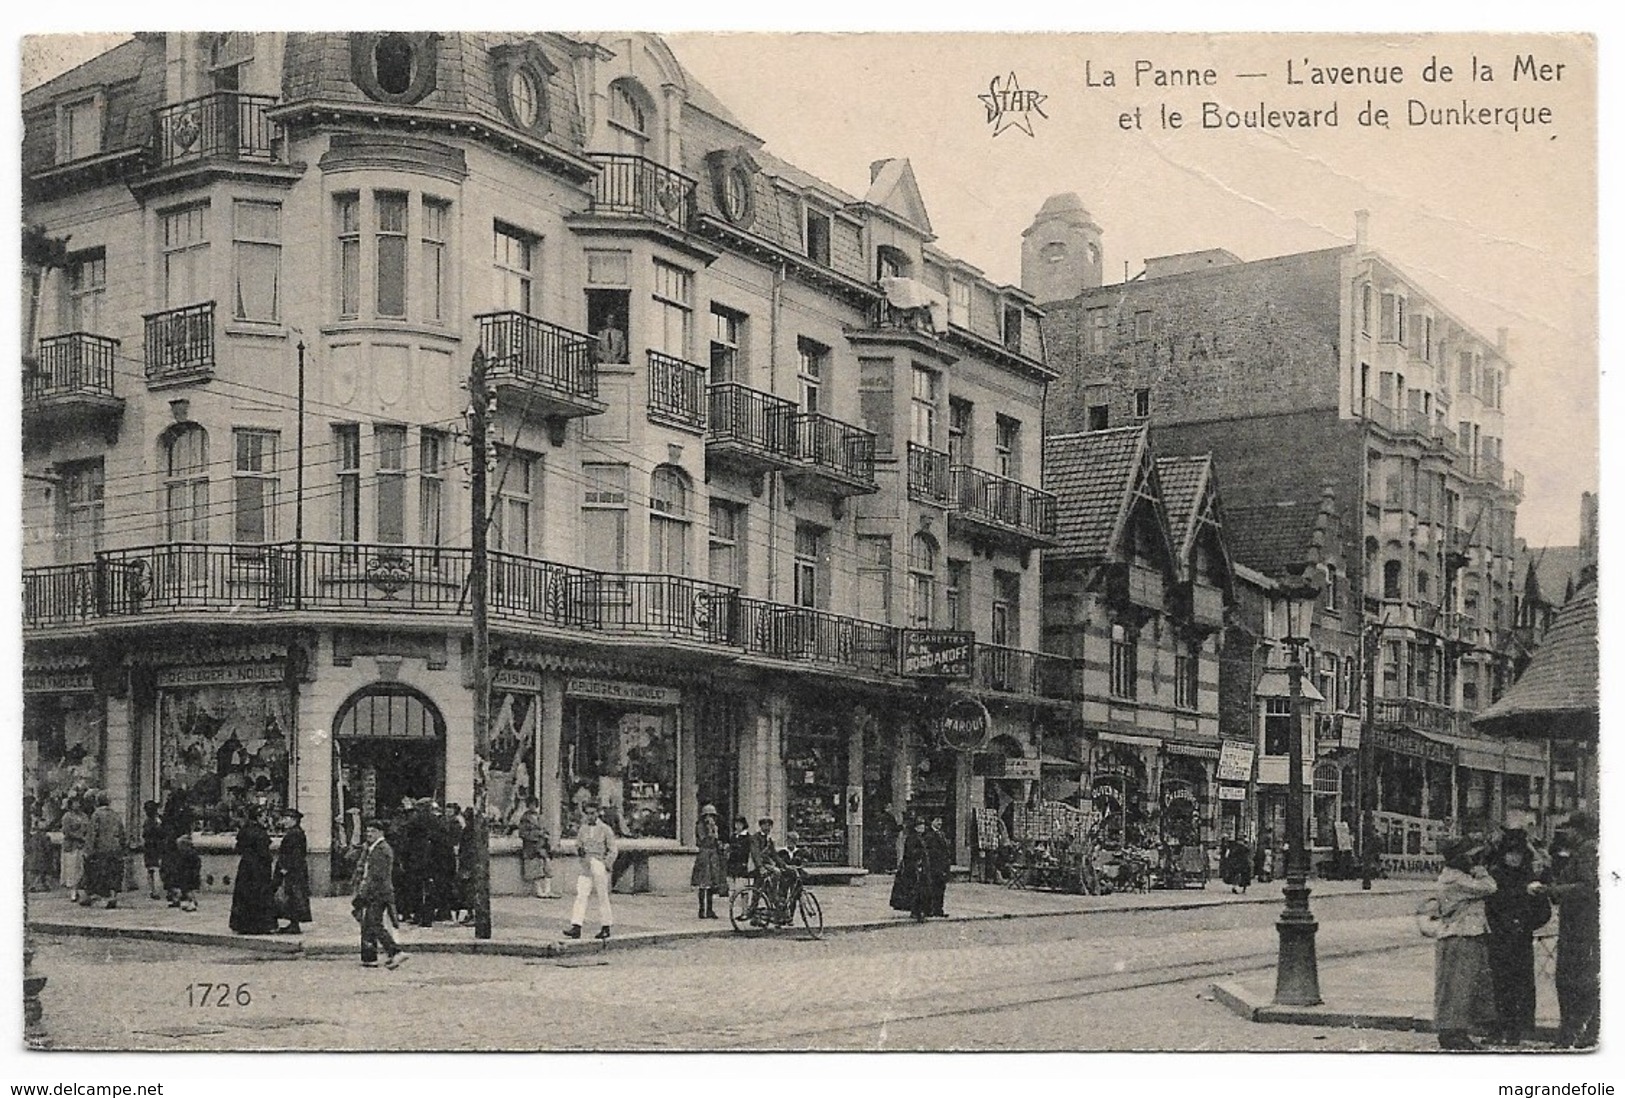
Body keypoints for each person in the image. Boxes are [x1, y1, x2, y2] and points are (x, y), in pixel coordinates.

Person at [1483, 827, 1550, 1045]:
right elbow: (1489, 905)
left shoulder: (1530, 877)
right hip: (1499, 939)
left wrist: (1525, 924)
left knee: (1519, 986)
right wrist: (1501, 925)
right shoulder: (1495, 875)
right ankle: (1497, 1028)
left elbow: (1544, 911)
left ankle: (1515, 1031)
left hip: (1521, 940)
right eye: (1510, 853)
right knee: (1498, 985)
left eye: (1518, 854)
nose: (1514, 858)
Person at [1432, 837, 1499, 1050]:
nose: (1475, 860)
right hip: (1460, 936)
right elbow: (1490, 887)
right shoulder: (1457, 880)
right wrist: (1482, 871)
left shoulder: (1455, 876)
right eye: (1471, 856)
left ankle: (1455, 1031)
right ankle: (1453, 1033)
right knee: (1458, 987)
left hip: (1463, 935)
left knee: (1461, 987)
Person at [1542, 812, 1599, 1048]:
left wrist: (1553, 890)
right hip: (1583, 925)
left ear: (1579, 830)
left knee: (1571, 981)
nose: (1566, 833)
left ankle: (1572, 1033)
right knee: (1584, 980)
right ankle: (1584, 1032)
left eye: (1570, 829)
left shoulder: (1587, 850)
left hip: (1580, 926)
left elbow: (1588, 888)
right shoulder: (1587, 849)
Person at [352, 818, 408, 969]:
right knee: (370, 924)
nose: (369, 834)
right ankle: (371, 958)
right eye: (368, 831)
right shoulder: (374, 848)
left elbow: (375, 876)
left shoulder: (381, 849)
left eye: (373, 831)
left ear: (381, 833)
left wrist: (364, 895)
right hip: (377, 892)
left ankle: (395, 952)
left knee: (375, 923)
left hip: (377, 893)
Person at [564, 801, 617, 940]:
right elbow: (578, 844)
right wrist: (580, 852)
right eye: (587, 813)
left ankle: (606, 926)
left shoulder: (605, 829)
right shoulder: (583, 829)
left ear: (598, 813)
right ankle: (576, 926)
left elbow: (613, 850)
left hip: (599, 864)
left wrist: (605, 864)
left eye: (592, 813)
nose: (590, 816)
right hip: (586, 866)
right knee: (581, 895)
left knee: (602, 896)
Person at [229, 806, 279, 935]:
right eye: (263, 816)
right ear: (257, 817)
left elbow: (238, 848)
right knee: (259, 894)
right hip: (259, 868)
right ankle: (259, 925)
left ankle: (242, 924)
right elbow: (264, 852)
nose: (266, 819)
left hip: (246, 867)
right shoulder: (260, 832)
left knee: (244, 894)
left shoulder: (245, 830)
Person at [82, 792, 126, 909]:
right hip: (115, 848)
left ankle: (99, 897)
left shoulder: (96, 815)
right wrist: (122, 847)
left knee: (102, 872)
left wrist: (88, 850)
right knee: (114, 872)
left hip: (101, 848)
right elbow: (122, 832)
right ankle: (113, 896)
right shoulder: (115, 815)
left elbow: (92, 834)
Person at [274, 809, 312, 935]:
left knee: (293, 895)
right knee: (292, 895)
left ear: (293, 820)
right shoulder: (295, 832)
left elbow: (296, 854)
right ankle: (292, 923)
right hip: (295, 870)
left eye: (286, 819)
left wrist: (286, 868)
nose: (284, 821)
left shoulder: (294, 834)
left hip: (293, 871)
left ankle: (294, 924)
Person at [689, 803, 728, 919]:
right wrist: (711, 833)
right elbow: (702, 840)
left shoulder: (715, 827)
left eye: (712, 816)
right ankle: (702, 910)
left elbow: (716, 841)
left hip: (713, 856)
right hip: (704, 855)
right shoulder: (700, 826)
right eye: (708, 815)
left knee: (711, 884)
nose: (710, 818)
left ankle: (710, 909)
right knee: (703, 884)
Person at [889, 817, 931, 923]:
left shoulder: (920, 837)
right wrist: (920, 854)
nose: (923, 827)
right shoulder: (912, 838)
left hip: (920, 867)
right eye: (920, 825)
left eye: (923, 825)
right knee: (916, 890)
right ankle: (916, 911)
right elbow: (911, 853)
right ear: (916, 827)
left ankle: (919, 910)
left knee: (920, 890)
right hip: (914, 868)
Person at [517, 797, 556, 900]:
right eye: (531, 804)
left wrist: (546, 835)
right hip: (532, 847)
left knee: (547, 867)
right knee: (536, 869)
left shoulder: (540, 817)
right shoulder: (525, 818)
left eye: (534, 804)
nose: (533, 807)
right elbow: (522, 833)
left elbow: (546, 830)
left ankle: (548, 890)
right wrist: (537, 834)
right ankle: (539, 891)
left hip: (542, 845)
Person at [59, 796, 89, 904]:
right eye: (75, 803)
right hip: (71, 845)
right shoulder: (67, 816)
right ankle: (73, 891)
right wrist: (79, 836)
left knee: (80, 868)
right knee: (72, 868)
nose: (78, 805)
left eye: (79, 803)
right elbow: (66, 831)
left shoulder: (84, 816)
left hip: (81, 845)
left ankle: (80, 889)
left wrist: (85, 837)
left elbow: (88, 827)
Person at [925, 816, 953, 918]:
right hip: (934, 866)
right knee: (932, 888)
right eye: (937, 820)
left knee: (941, 888)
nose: (939, 822)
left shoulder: (942, 834)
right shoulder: (929, 834)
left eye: (940, 820)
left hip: (942, 865)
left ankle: (939, 909)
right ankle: (930, 909)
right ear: (932, 822)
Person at [140, 801, 165, 900]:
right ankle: (155, 890)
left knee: (151, 869)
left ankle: (153, 890)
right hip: (156, 846)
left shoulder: (148, 821)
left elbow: (145, 834)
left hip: (151, 847)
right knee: (155, 868)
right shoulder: (158, 820)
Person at [726, 815, 753, 894]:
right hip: (732, 864)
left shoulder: (748, 837)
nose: (737, 826)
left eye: (739, 824)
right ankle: (731, 905)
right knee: (731, 888)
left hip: (742, 865)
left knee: (743, 889)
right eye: (736, 824)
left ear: (744, 825)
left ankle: (744, 906)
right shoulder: (733, 836)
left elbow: (746, 851)